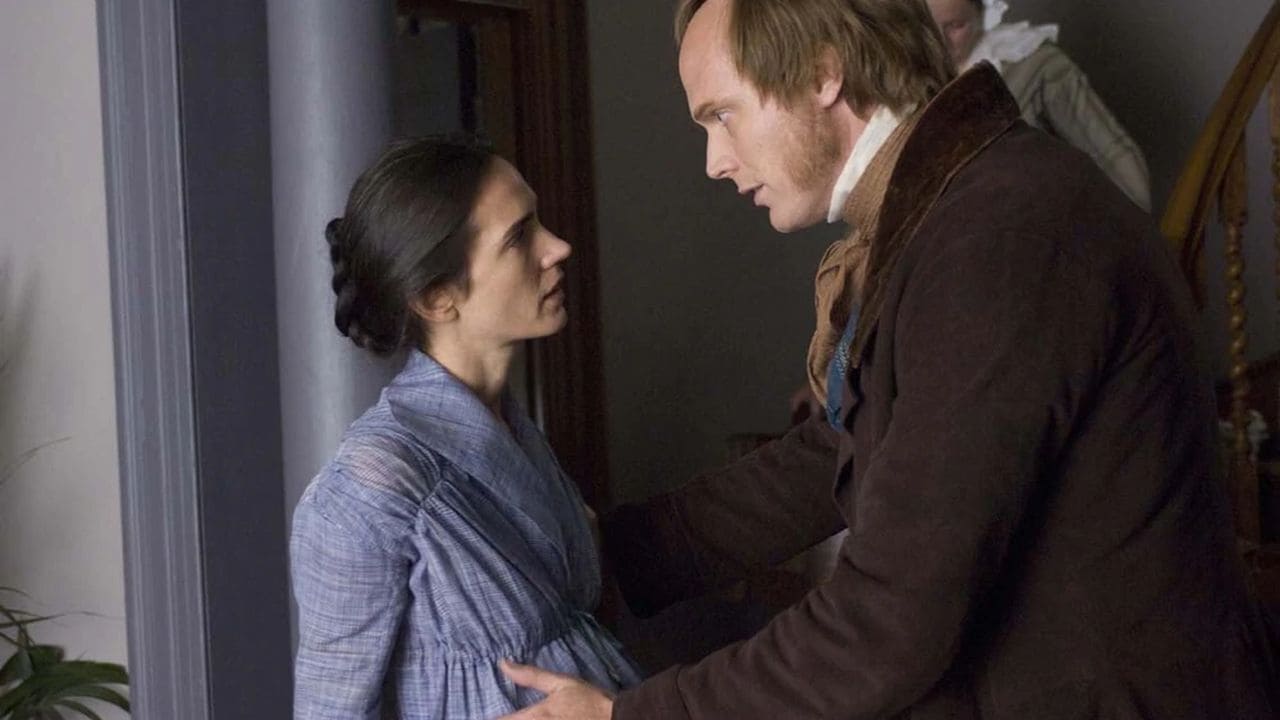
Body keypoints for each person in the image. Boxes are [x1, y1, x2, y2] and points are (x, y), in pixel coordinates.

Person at [496, 0, 1278, 718]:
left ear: (823, 73)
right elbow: (840, 450)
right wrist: (613, 551)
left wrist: (631, 716)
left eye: (722, 115)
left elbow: (888, 622)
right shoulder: (956, 206)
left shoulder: (999, 237)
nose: (715, 161)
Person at [289, 137, 642, 719]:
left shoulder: (515, 433)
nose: (558, 247)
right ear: (436, 298)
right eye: (519, 237)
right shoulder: (371, 486)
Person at [927, 0, 1152, 211]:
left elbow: (1113, 156)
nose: (940, 41)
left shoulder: (1036, 66)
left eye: (956, 26)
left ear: (982, 14)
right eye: (928, 27)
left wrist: (1135, 225)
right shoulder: (915, 81)